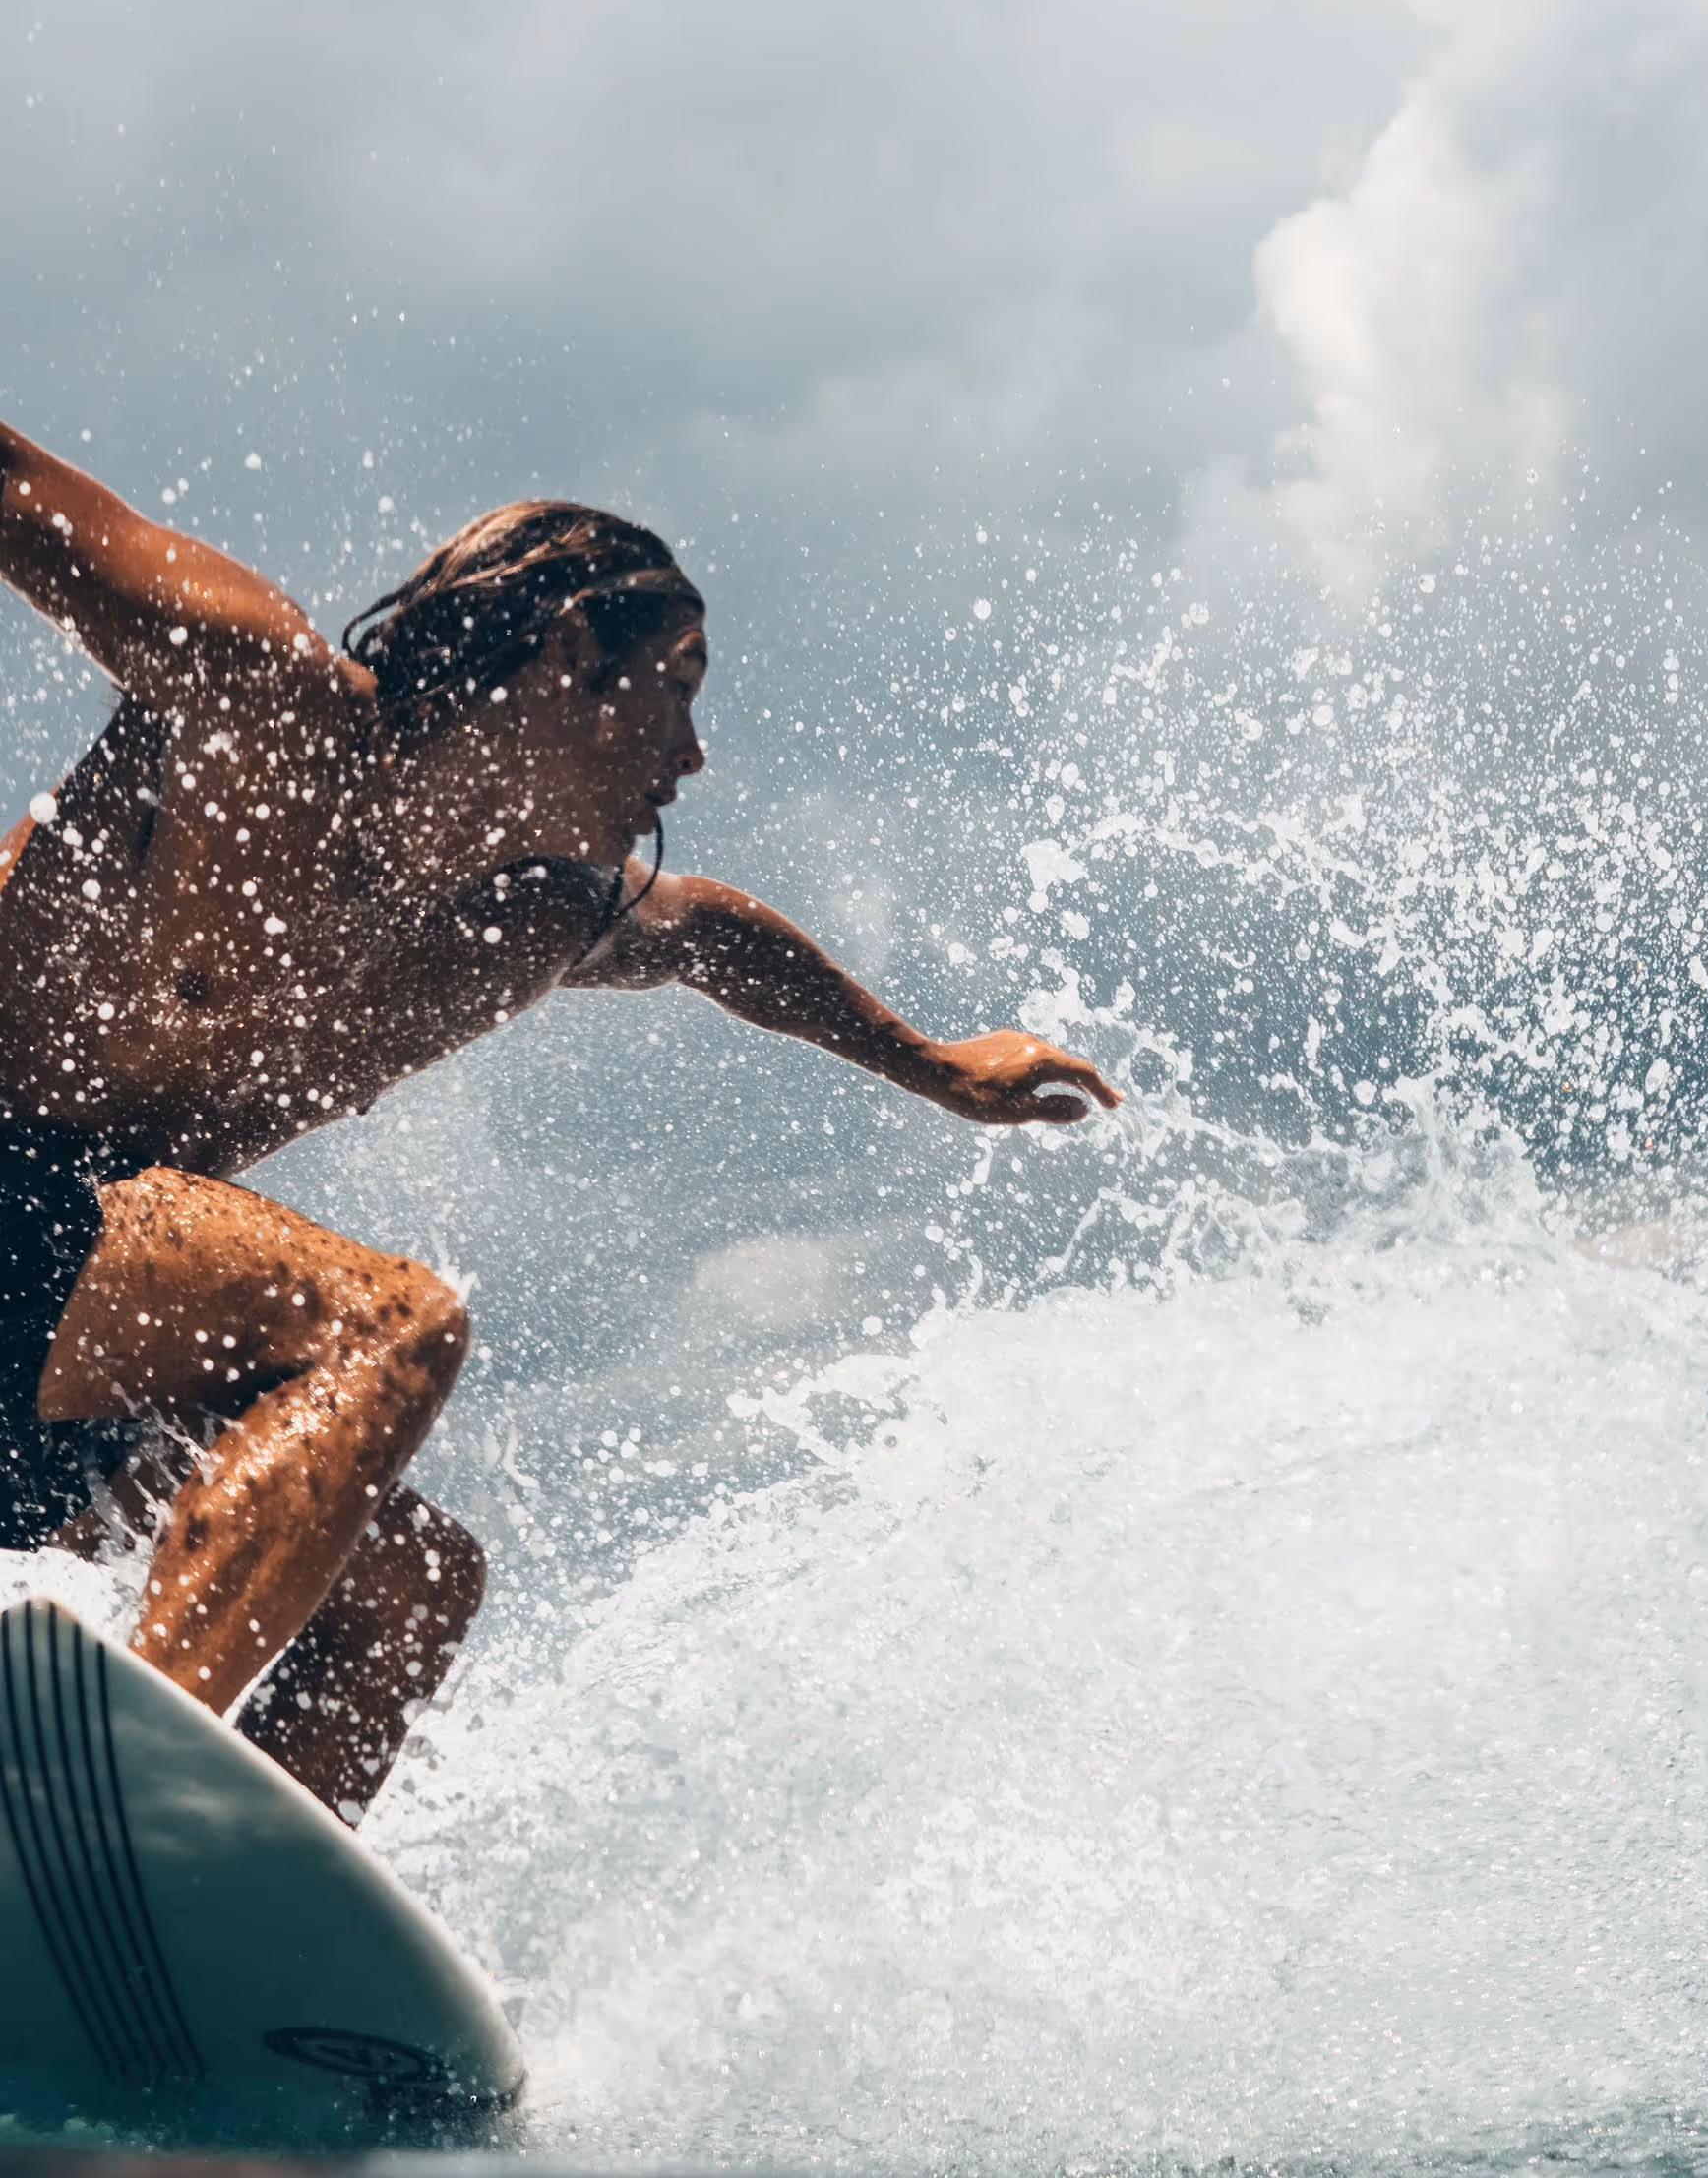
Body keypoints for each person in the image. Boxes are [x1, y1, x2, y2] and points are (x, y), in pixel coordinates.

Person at [0, 420, 1121, 1823]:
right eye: (679, 686)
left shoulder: (515, 921)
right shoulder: (267, 710)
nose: (696, 754)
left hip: (56, 1327)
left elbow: (711, 939)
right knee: (391, 1324)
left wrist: (941, 1066)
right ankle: (108, 1809)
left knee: (413, 1591)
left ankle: (203, 1930)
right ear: (567, 651)